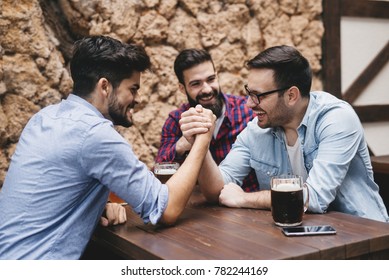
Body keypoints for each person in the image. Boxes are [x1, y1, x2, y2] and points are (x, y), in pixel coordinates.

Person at [0, 35, 215, 259]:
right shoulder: (95, 134)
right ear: (105, 86)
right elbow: (166, 209)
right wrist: (202, 138)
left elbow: (49, 191)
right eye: (133, 89)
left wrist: (94, 207)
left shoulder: (44, 118)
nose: (137, 98)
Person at [180, 45, 389, 222]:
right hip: (298, 242)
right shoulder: (256, 130)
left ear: (291, 96)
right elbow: (218, 189)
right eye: (248, 92)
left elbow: (314, 198)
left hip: (365, 240)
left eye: (258, 96)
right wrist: (201, 141)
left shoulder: (336, 119)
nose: (249, 103)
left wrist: (245, 198)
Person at [156, 48, 258, 192]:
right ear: (182, 88)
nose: (207, 89)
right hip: (199, 210)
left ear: (217, 76)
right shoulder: (176, 120)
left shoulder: (247, 112)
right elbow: (160, 168)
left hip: (245, 205)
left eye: (211, 79)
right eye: (196, 84)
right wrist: (181, 146)